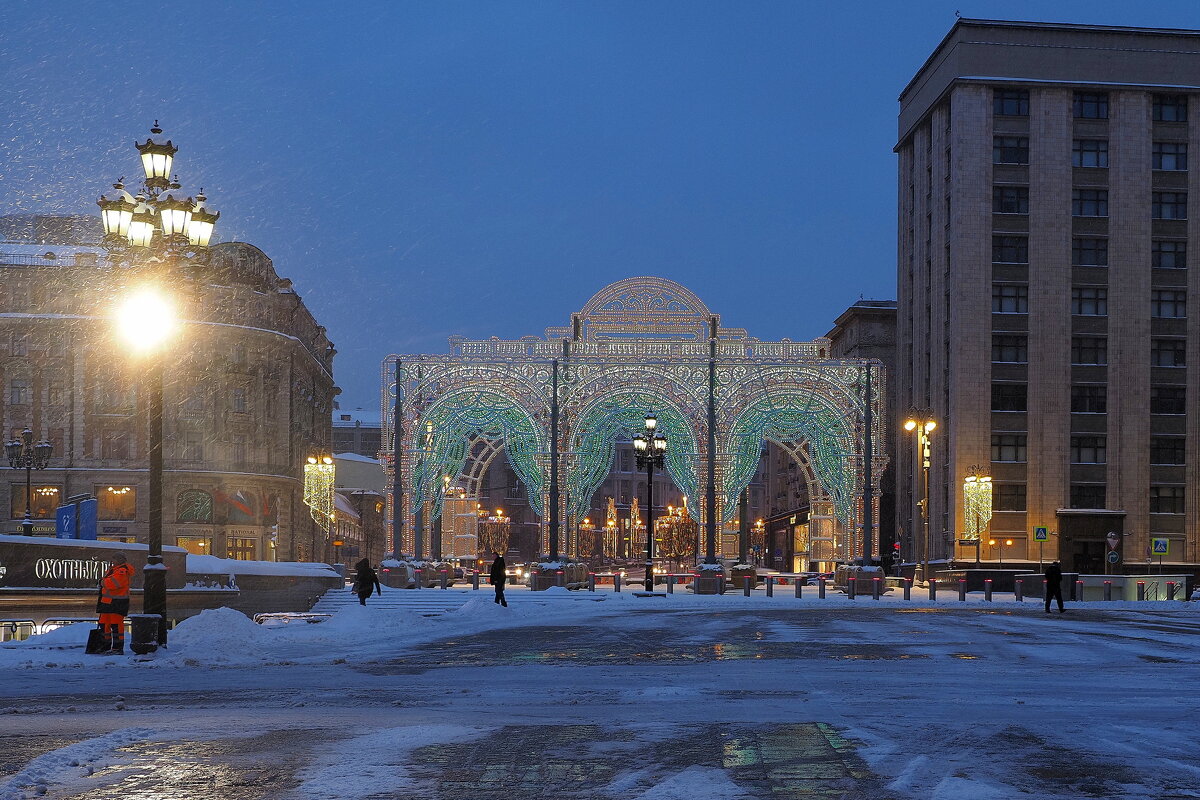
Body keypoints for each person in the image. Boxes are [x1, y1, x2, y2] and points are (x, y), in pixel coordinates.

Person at [96, 552, 134, 654]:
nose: (113, 561)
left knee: (116, 626)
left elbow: (113, 584)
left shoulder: (122, 571)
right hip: (107, 602)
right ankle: (105, 646)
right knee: (105, 625)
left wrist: (102, 582)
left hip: (117, 602)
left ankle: (117, 648)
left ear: (120, 560)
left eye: (114, 559)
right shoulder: (114, 570)